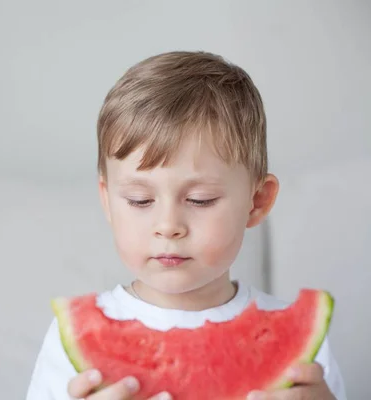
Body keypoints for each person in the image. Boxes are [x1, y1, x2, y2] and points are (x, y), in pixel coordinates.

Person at [25, 51, 347, 400]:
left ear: (257, 202)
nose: (168, 226)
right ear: (107, 201)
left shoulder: (306, 358)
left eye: (200, 200)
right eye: (139, 200)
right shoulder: (67, 341)